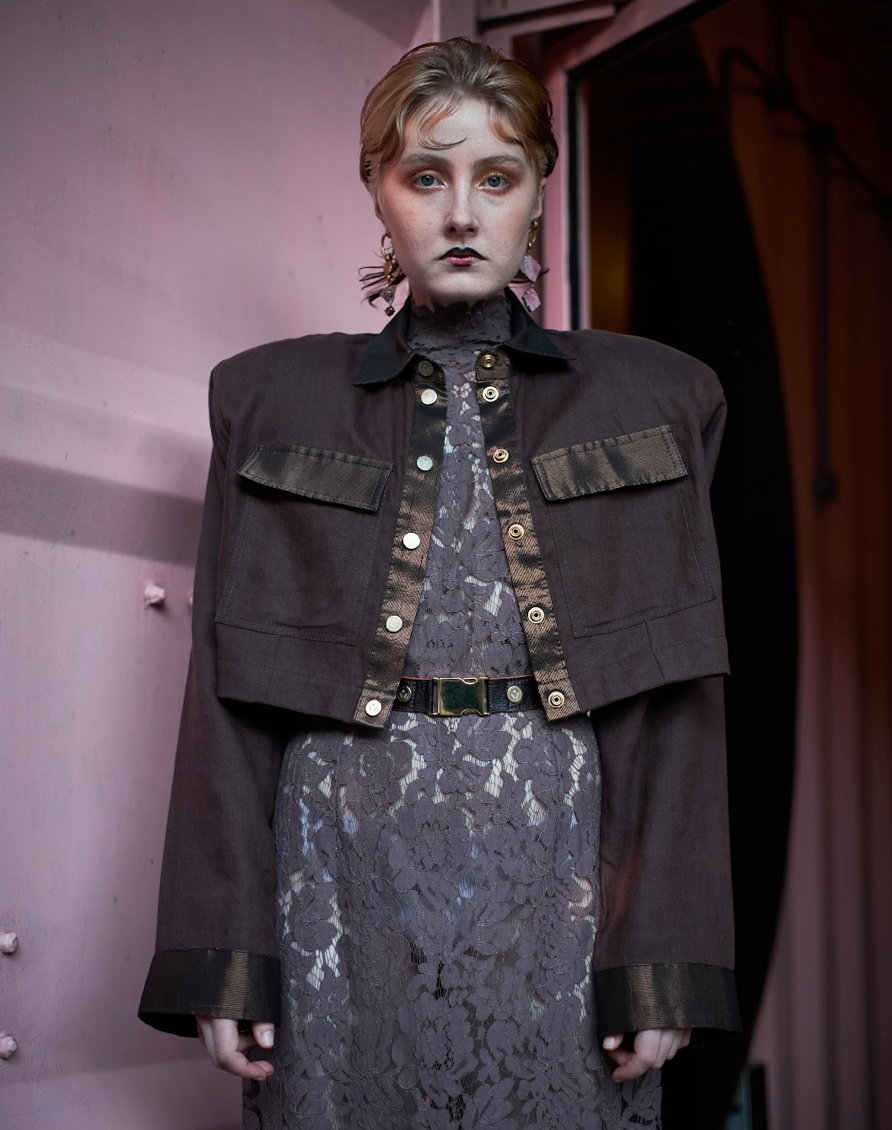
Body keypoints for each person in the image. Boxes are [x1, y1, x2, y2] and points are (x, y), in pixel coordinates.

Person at [138, 37, 740, 1128]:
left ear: (538, 194)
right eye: (427, 176)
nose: (462, 213)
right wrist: (225, 956)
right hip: (332, 876)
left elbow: (676, 709)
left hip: (564, 872)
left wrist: (665, 959)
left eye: (495, 178)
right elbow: (221, 703)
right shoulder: (267, 400)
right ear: (379, 190)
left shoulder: (659, 400)